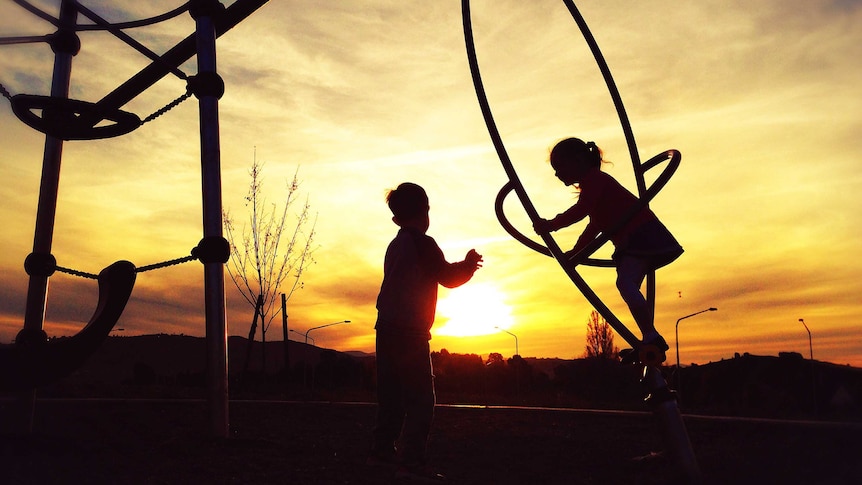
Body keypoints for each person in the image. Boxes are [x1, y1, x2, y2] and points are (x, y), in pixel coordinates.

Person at [370, 182, 483, 481]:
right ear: (426, 212)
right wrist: (469, 265)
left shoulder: (395, 245)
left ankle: (382, 451)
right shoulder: (423, 243)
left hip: (386, 328)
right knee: (421, 400)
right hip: (411, 332)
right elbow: (446, 276)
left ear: (396, 218)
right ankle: (411, 462)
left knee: (391, 396)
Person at [533, 137, 683, 360]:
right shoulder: (592, 188)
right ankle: (648, 337)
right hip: (632, 242)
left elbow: (582, 211)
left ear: (578, 160)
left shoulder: (596, 181)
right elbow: (595, 225)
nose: (557, 174)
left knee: (625, 283)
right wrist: (575, 253)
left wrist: (551, 225)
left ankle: (651, 335)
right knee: (628, 286)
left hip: (640, 237)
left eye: (560, 167)